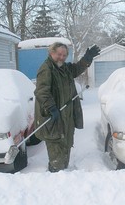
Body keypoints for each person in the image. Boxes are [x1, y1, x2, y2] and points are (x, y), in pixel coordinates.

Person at [34, 42, 100, 172]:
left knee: (66, 148)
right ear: (51, 53)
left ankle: (64, 179)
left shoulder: (64, 68)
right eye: (59, 54)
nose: (62, 57)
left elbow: (76, 69)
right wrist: (51, 108)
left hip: (66, 118)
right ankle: (55, 180)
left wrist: (87, 59)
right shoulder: (46, 69)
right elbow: (41, 91)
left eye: (64, 55)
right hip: (54, 118)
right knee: (57, 156)